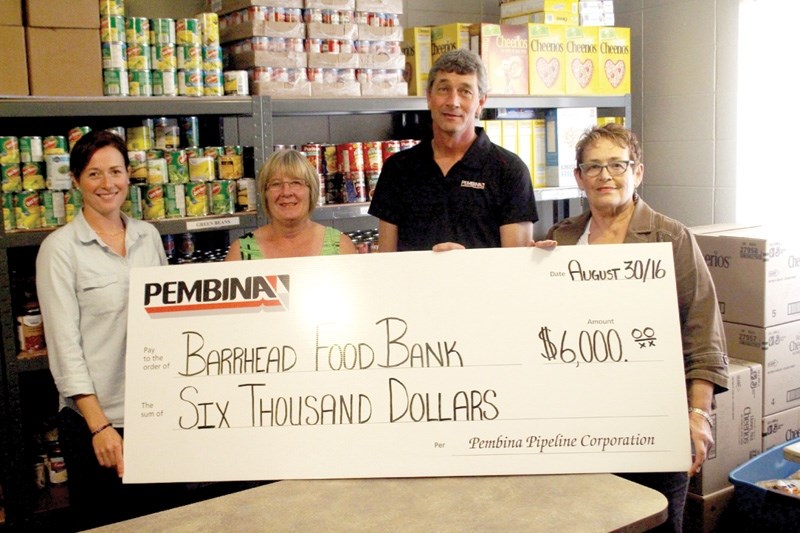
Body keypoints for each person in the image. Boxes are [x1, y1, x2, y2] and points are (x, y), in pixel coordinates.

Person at [543, 123, 729, 532]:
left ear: (638, 172)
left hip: (653, 422)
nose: (605, 176)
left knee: (655, 525)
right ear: (578, 177)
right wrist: (522, 270)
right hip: (579, 424)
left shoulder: (671, 237)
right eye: (592, 167)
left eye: (616, 164)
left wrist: (698, 414)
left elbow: (703, 332)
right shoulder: (560, 238)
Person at [35, 130, 170, 528]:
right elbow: (64, 350)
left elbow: (164, 321)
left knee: (167, 520)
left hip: (154, 414)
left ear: (129, 175)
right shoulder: (60, 250)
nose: (107, 183)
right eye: (94, 174)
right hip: (99, 424)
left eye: (115, 171)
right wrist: (101, 427)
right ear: (75, 181)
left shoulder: (148, 236)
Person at [368, 48, 538, 252]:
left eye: (465, 91)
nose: (453, 102)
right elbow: (386, 261)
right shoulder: (397, 169)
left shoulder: (509, 170)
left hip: (482, 285)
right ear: (429, 97)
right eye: (443, 89)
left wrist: (464, 265)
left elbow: (516, 267)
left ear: (480, 102)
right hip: (415, 285)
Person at [225, 149, 356, 260]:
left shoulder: (341, 246)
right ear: (264, 193)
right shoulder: (240, 253)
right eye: (276, 184)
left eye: (296, 183)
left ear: (312, 190)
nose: (286, 192)